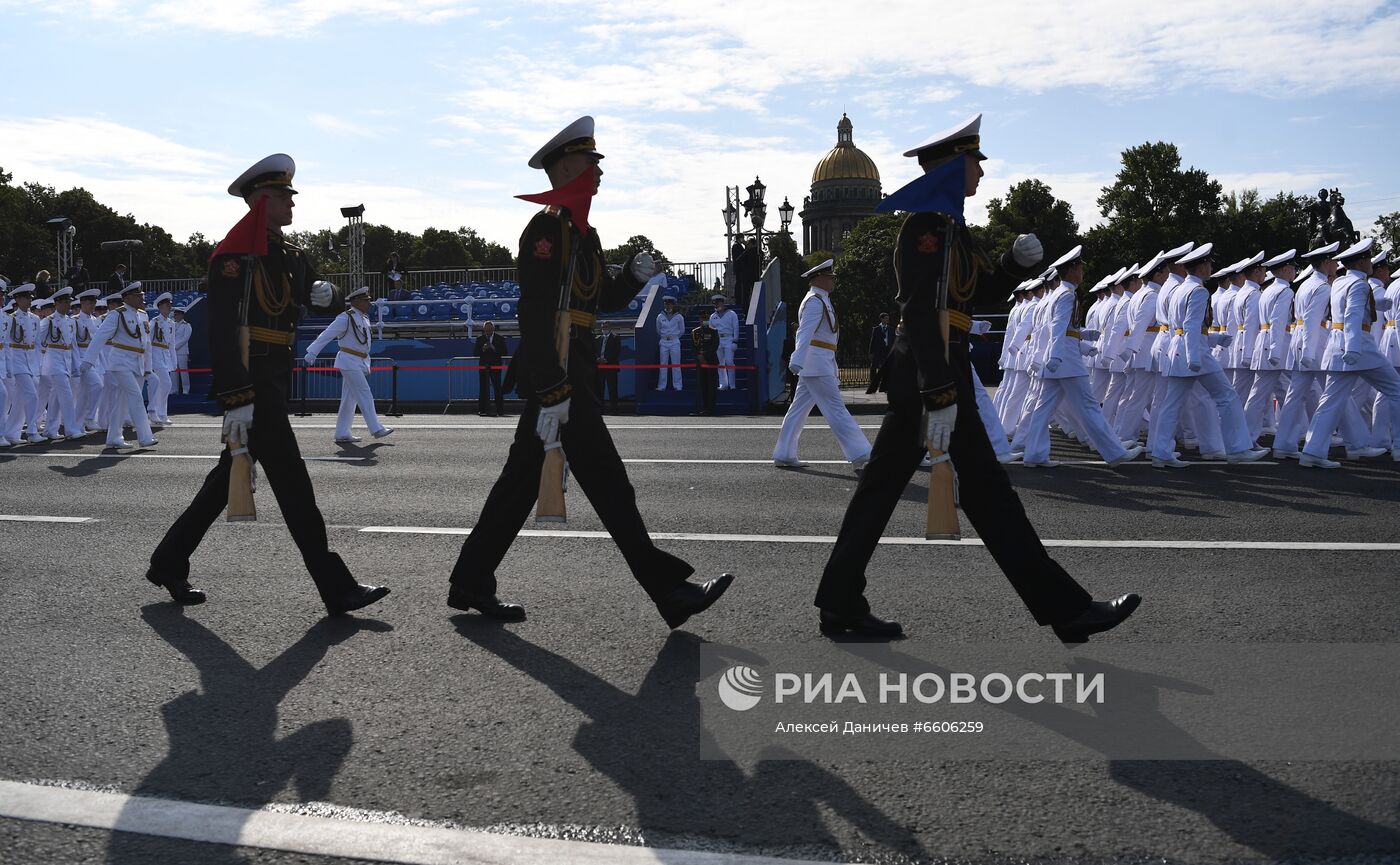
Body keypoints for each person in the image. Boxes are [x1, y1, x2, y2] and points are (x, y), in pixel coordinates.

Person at [813, 113, 1141, 641]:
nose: (982, 174)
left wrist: (1013, 264)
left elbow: (977, 292)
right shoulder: (925, 229)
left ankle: (840, 602)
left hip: (936, 367)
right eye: (975, 163)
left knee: (897, 491)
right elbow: (922, 312)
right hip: (932, 370)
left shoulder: (948, 229)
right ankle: (1067, 610)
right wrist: (939, 391)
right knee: (984, 491)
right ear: (952, 167)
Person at [445, 115, 732, 627]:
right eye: (589, 161)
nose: (598, 170)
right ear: (563, 168)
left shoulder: (583, 233)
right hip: (560, 375)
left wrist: (631, 278)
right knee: (608, 482)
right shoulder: (547, 231)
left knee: (520, 484)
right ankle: (669, 591)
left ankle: (470, 579)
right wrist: (552, 386)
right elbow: (533, 313)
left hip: (569, 368)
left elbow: (596, 302)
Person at [145, 153, 390, 615]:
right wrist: (235, 396)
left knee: (225, 481)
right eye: (281, 196)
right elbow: (223, 329)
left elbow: (318, 299)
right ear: (260, 201)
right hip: (252, 382)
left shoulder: (290, 255)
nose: (291, 202)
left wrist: (327, 294)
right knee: (293, 484)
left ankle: (168, 561)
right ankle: (336, 587)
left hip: (275, 376)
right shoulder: (235, 258)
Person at [1010, 246, 1142, 468]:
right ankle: (1114, 452)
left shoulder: (1058, 295)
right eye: (1080, 267)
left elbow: (1058, 329)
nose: (1082, 272)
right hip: (1066, 361)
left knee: (1042, 410)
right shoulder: (1066, 296)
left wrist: (1081, 337)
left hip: (1059, 360)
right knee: (1089, 407)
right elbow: (1057, 327)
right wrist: (1055, 356)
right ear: (1072, 270)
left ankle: (1034, 454)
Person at [1148, 243, 1268, 467]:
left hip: (1179, 349)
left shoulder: (1179, 289)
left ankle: (1160, 451)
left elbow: (1181, 327)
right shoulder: (1198, 290)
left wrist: (1213, 339)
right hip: (1195, 353)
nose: (1211, 267)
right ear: (1202, 266)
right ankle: (1239, 448)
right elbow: (1192, 326)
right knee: (1227, 396)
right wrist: (1194, 356)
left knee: (1171, 403)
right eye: (1209, 263)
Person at [1299, 238, 1400, 467]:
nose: (1371, 262)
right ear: (1362, 261)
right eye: (1368, 258)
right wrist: (1354, 348)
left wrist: (1376, 306)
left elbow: (1346, 311)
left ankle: (1312, 452)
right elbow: (1353, 316)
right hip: (1359, 346)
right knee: (1396, 389)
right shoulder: (1360, 285)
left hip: (1337, 346)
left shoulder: (1340, 283)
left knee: (1330, 401)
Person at [773, 259, 872, 469]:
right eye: (830, 277)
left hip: (819, 361)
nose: (833, 281)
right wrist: (797, 360)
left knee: (797, 410)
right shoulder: (814, 301)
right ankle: (861, 452)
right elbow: (804, 332)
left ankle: (784, 453)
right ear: (819, 279)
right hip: (816, 363)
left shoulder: (820, 299)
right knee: (836, 408)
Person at [304, 286, 395, 443]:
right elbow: (327, 334)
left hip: (360, 360)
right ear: (356, 302)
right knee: (364, 392)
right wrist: (312, 352)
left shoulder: (364, 318)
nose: (369, 303)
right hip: (348, 360)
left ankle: (342, 432)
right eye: (366, 301)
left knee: (349, 399)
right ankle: (376, 428)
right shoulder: (345, 318)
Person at [80, 281, 158, 450]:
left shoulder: (143, 315)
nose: (142, 299)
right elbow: (100, 337)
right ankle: (145, 437)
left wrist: (148, 367)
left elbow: (147, 345)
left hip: (138, 362)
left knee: (122, 402)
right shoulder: (117, 314)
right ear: (128, 297)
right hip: (120, 361)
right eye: (138, 296)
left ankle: (114, 437)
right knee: (136, 397)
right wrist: (88, 360)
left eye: (142, 296)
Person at [38, 286, 82, 439]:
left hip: (67, 361)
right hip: (54, 361)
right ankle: (71, 429)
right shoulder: (48, 321)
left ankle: (50, 430)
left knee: (56, 397)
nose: (68, 305)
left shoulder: (70, 322)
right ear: (57, 304)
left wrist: (76, 365)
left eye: (69, 302)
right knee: (66, 394)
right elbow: (38, 342)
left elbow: (73, 345)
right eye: (65, 302)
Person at [4, 282, 43, 444]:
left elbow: (38, 344)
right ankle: (32, 431)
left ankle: (12, 433)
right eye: (26, 298)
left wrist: (38, 365)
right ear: (17, 300)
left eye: (30, 298)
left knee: (21, 399)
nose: (29, 301)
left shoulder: (34, 319)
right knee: (32, 395)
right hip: (16, 360)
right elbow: (5, 342)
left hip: (31, 361)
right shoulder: (10, 319)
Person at [146, 292, 176, 427]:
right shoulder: (154, 322)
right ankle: (153, 411)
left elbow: (172, 343)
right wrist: (148, 359)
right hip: (155, 354)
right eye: (167, 306)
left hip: (165, 355)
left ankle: (162, 413)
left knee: (165, 384)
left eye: (170, 305)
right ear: (160, 307)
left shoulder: (171, 323)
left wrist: (173, 361)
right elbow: (147, 340)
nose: (169, 308)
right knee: (166, 383)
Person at [475, 319, 508, 416]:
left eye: (489, 330)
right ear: (484, 330)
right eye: (486, 330)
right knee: (483, 389)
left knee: (497, 388)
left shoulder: (500, 338)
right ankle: (482, 410)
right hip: (483, 366)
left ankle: (500, 410)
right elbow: (475, 353)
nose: (488, 332)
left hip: (495, 366)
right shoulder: (480, 339)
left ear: (493, 329)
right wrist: (483, 349)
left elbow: (505, 352)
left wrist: (494, 348)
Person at [709, 293, 739, 389]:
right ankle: (723, 383)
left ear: (723, 302)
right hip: (718, 340)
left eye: (719, 302)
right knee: (720, 363)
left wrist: (735, 341)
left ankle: (732, 384)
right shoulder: (713, 316)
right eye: (715, 303)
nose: (717, 305)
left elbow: (736, 328)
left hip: (729, 339)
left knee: (729, 362)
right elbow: (711, 330)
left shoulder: (731, 314)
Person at [655, 295, 684, 391]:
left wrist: (674, 337)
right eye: (666, 304)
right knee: (663, 364)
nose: (668, 306)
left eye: (670, 304)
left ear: (673, 305)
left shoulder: (679, 316)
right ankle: (662, 385)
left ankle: (678, 385)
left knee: (676, 364)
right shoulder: (660, 316)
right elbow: (658, 330)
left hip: (674, 341)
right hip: (663, 341)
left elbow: (682, 330)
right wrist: (665, 337)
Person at [692, 320, 720, 415]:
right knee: (703, 385)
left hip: (711, 361)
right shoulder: (695, 332)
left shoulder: (713, 331)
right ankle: (705, 408)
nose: (704, 321)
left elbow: (714, 346)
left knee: (711, 385)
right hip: (700, 362)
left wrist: (705, 356)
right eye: (701, 318)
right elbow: (694, 346)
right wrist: (698, 356)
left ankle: (711, 408)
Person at [594, 320, 621, 412]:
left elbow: (616, 351)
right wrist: (597, 359)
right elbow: (594, 351)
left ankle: (614, 408)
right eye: (603, 327)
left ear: (610, 328)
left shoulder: (615, 337)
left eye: (606, 327)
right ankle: (600, 408)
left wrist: (606, 359)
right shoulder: (597, 338)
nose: (604, 329)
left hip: (611, 367)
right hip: (600, 368)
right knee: (600, 388)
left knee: (612, 388)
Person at [867, 312, 894, 394]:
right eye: (886, 318)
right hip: (878, 351)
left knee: (887, 369)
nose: (888, 319)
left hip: (887, 351)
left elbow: (893, 341)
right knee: (873, 367)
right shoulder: (876, 329)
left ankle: (886, 386)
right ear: (882, 319)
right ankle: (872, 385)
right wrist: (871, 352)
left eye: (888, 318)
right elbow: (872, 341)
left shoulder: (891, 329)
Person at [170, 305, 192, 395]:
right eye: (175, 314)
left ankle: (186, 389)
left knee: (183, 371)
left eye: (177, 314)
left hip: (182, 352)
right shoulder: (172, 325)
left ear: (182, 315)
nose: (175, 316)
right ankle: (174, 389)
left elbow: (185, 338)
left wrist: (174, 346)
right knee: (173, 372)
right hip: (173, 352)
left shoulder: (187, 325)